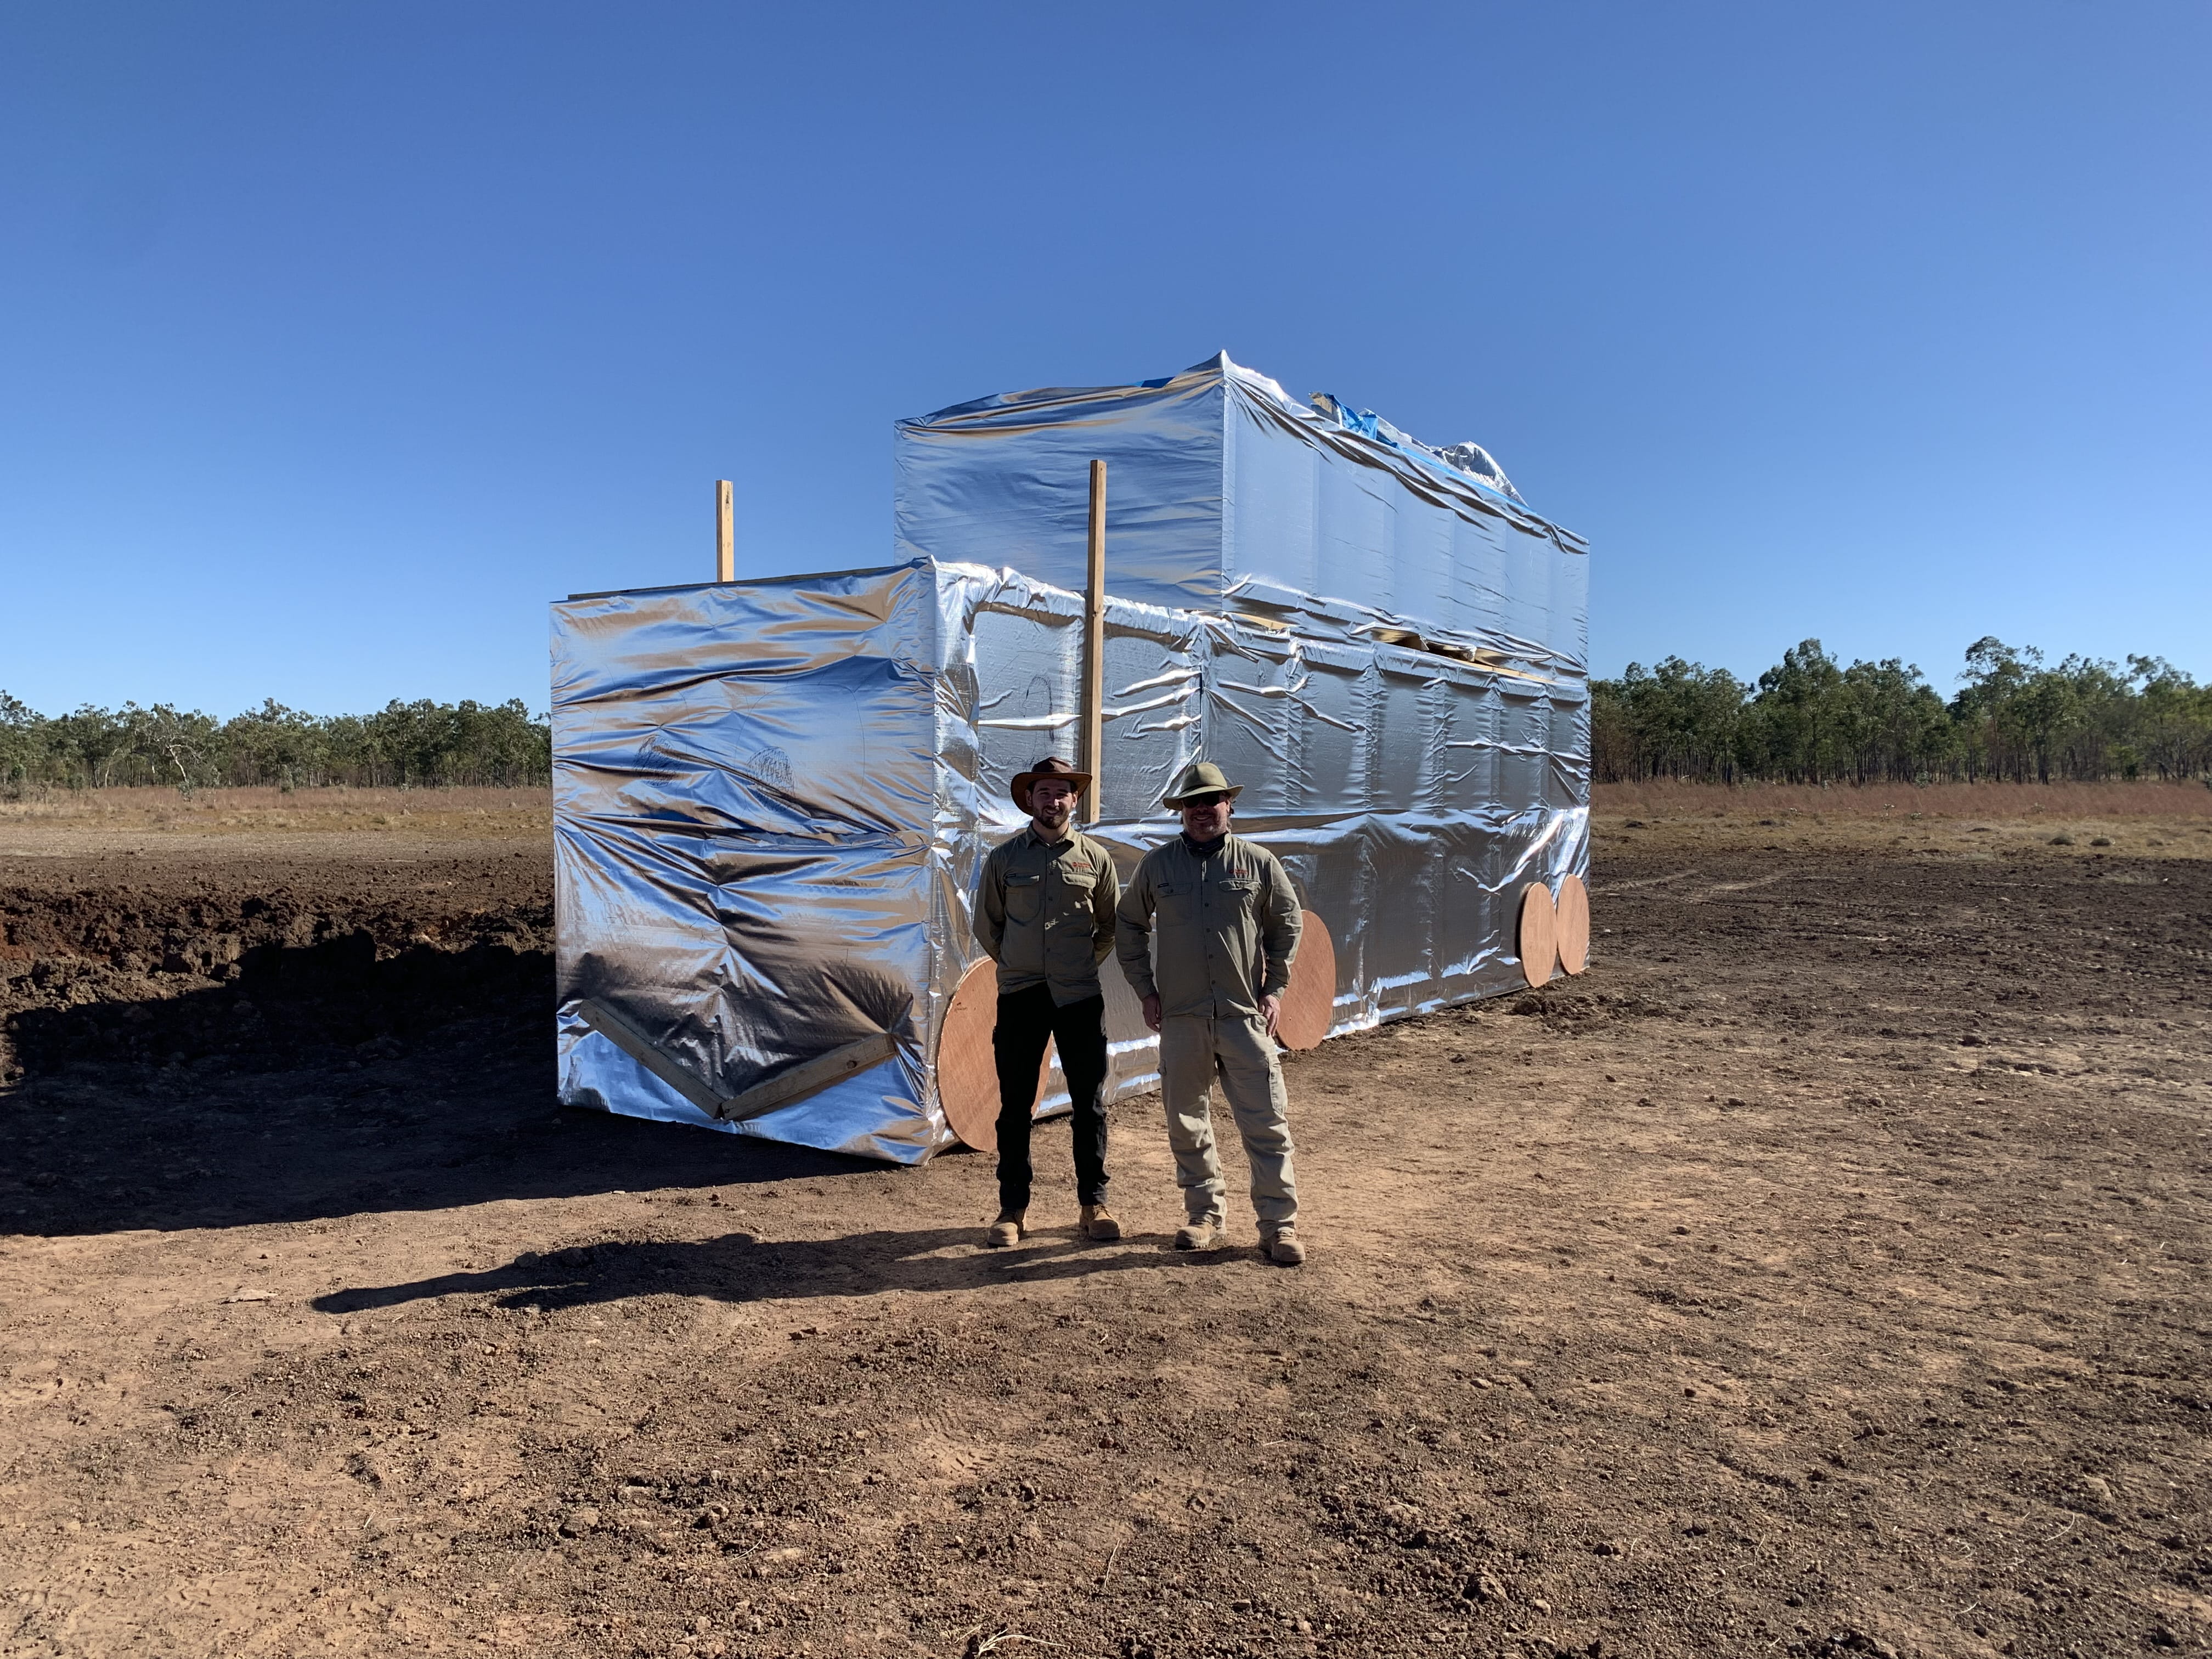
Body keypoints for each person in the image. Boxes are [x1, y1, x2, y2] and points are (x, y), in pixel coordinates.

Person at [1115, 760, 1307, 1266]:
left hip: (1245, 1016)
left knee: (1266, 1122)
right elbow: (1128, 925)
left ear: (1229, 806)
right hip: (1181, 1019)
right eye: (1192, 804)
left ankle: (1278, 1226)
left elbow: (1287, 925)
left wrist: (1275, 989)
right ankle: (1203, 1215)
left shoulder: (1259, 863)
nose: (1202, 811)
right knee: (1187, 1121)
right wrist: (1146, 990)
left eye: (1211, 801)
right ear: (1181, 812)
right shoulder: (1158, 867)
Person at [971, 756, 1122, 1249]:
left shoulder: (1095, 860)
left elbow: (1109, 927)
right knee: (1015, 1107)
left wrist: (1076, 966)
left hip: (1079, 996)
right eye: (1043, 793)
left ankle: (1093, 1205)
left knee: (1089, 1106)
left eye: (1062, 792)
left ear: (1073, 800)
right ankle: (1012, 1211)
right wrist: (1018, 964)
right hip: (1021, 996)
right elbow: (988, 926)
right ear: (1029, 800)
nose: (1052, 801)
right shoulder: (1005, 859)